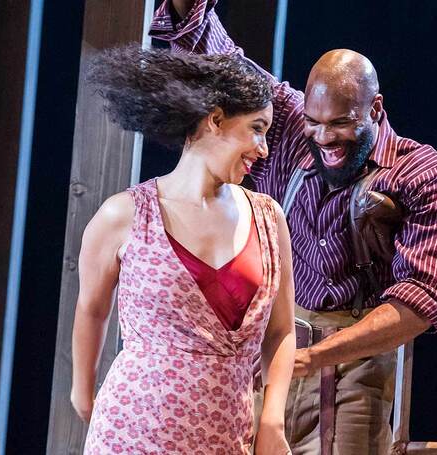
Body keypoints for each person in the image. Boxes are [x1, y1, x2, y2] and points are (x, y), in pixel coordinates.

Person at [151, 2, 437, 453]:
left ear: (375, 108)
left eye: (341, 124)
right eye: (315, 122)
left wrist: (313, 358)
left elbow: (421, 301)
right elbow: (218, 59)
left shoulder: (421, 175)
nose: (324, 138)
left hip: (358, 363)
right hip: (275, 345)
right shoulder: (288, 125)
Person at [70, 45, 296, 454]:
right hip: (136, 429)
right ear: (215, 120)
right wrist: (84, 395)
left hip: (227, 434)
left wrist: (272, 420)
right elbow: (92, 307)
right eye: (257, 128)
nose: (263, 148)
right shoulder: (124, 215)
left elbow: (281, 332)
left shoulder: (268, 218)